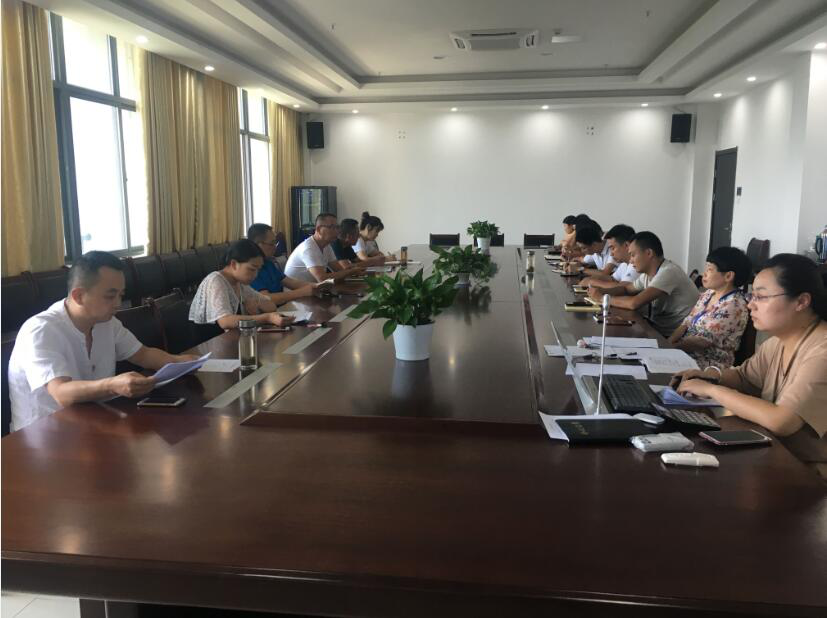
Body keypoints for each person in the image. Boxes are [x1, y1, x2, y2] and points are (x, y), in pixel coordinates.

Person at [7, 251, 199, 432]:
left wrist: (180, 362)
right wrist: (112, 385)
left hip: (92, 423)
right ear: (78, 296)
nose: (118, 303)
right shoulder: (41, 330)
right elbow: (61, 393)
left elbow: (143, 354)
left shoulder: (106, 322)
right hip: (43, 437)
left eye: (120, 295)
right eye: (110, 296)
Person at [674, 254, 827, 478]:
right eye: (751, 295)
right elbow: (745, 377)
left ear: (802, 302)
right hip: (775, 455)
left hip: (811, 476)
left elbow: (781, 421)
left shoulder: (822, 351)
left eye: (761, 297)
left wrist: (711, 390)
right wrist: (708, 376)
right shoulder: (778, 342)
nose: (750, 304)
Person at [588, 231, 698, 337]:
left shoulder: (668, 272)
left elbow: (634, 303)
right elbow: (626, 289)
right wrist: (602, 291)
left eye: (633, 255)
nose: (630, 261)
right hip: (656, 329)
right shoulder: (647, 274)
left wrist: (602, 298)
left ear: (649, 253)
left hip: (673, 337)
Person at [667, 247, 751, 369]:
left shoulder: (734, 305)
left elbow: (701, 341)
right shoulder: (709, 293)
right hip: (686, 353)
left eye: (710, 269)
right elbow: (687, 322)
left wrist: (671, 348)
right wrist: (668, 343)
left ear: (728, 276)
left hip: (708, 364)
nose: (704, 273)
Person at [189, 239, 295, 330]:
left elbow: (271, 306)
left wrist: (257, 303)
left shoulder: (239, 283)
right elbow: (225, 321)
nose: (255, 275)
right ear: (234, 264)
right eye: (252, 269)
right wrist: (267, 318)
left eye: (258, 270)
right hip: (211, 342)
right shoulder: (216, 281)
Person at [247, 223, 319, 304]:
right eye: (272, 243)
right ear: (258, 245)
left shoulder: (268, 263)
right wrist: (300, 292)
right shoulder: (250, 269)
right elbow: (265, 299)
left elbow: (292, 283)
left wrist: (319, 286)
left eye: (276, 243)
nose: (275, 247)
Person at [284, 213, 365, 283]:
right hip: (296, 293)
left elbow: (339, 270)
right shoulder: (309, 248)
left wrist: (351, 270)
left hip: (313, 288)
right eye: (332, 227)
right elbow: (322, 278)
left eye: (337, 227)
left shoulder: (327, 246)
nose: (337, 231)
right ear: (319, 229)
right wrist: (350, 272)